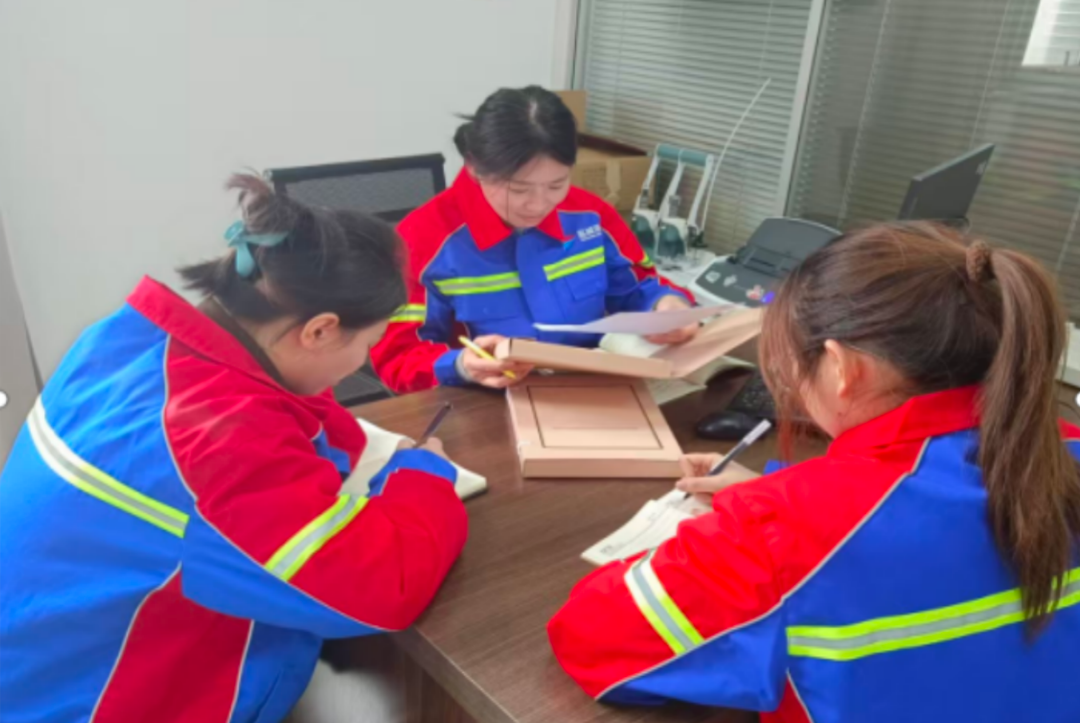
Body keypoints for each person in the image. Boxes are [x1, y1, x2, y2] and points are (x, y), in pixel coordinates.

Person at [548, 223, 1080, 722]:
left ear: (843, 368)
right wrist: (784, 493)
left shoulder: (784, 529)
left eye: (789, 369)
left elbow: (590, 636)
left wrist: (751, 526)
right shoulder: (1064, 448)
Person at [0, 176, 468, 723]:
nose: (362, 361)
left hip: (36, 661)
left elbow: (280, 413)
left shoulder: (123, 342)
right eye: (367, 344)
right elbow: (384, 589)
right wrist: (423, 476)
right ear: (319, 331)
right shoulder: (218, 443)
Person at [371, 85, 696, 394]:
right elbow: (396, 358)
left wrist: (666, 305)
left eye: (556, 185)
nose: (539, 205)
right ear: (474, 167)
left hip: (594, 388)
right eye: (518, 189)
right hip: (484, 402)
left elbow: (638, 286)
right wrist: (460, 366)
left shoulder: (590, 215)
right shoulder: (422, 240)